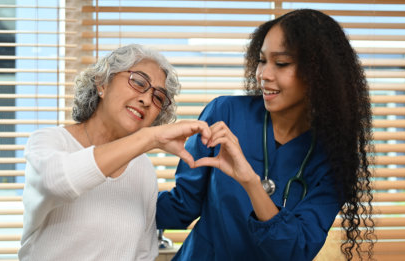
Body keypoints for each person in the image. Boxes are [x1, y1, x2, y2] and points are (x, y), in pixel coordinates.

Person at [156, 9, 375, 261]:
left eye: (281, 63)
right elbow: (181, 206)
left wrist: (250, 182)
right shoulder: (224, 113)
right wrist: (116, 168)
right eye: (262, 60)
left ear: (318, 73)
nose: (264, 75)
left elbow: (295, 250)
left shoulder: (333, 159)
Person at [19, 44, 211, 261]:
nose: (147, 100)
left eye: (158, 97)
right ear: (102, 82)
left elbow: (143, 254)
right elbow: (58, 182)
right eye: (138, 82)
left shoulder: (142, 169)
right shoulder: (49, 141)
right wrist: (150, 137)